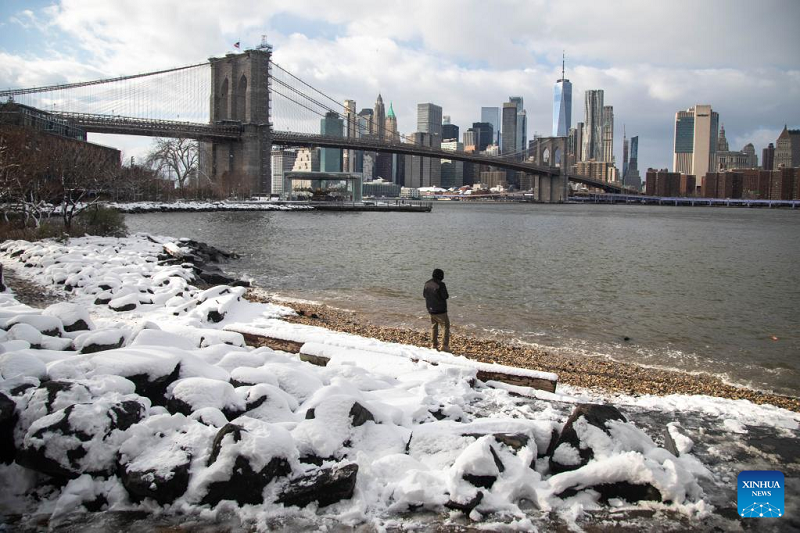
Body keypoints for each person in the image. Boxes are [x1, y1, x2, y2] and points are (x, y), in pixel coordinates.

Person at [423, 268, 450, 351]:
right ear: (441, 276)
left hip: (431, 309)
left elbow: (424, 295)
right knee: (445, 326)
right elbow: (445, 296)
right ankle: (444, 346)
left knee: (434, 326)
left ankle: (433, 345)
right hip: (440, 310)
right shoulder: (441, 285)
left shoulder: (427, 283)